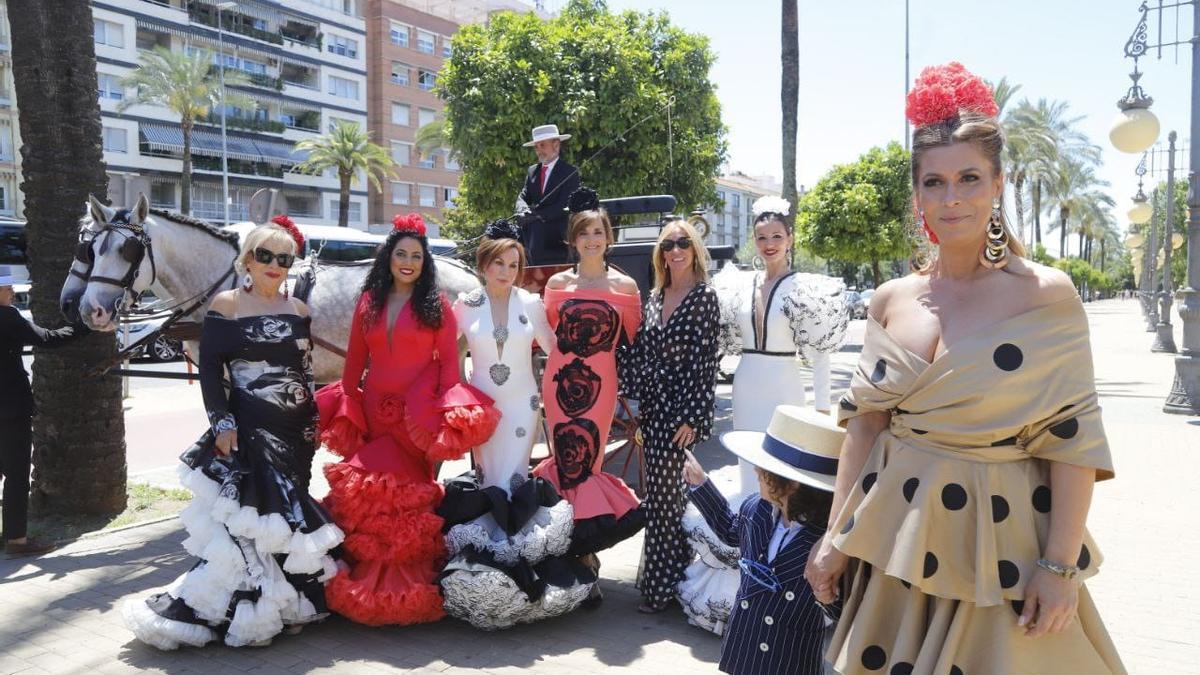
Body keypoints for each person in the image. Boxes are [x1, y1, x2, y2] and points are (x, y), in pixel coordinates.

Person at [804, 63, 1126, 674]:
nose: (952, 198)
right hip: (894, 541)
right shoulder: (890, 298)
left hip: (999, 548)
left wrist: (1058, 568)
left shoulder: (1045, 295)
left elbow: (1074, 441)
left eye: (970, 178)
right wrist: (834, 536)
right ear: (918, 191)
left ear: (999, 182)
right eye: (935, 182)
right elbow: (864, 429)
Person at [123, 218, 344, 649]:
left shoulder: (299, 311)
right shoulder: (227, 305)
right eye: (265, 256)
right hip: (250, 429)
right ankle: (244, 609)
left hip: (297, 432)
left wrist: (315, 423)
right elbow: (210, 370)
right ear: (248, 260)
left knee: (286, 519)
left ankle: (287, 605)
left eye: (284, 258)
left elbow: (305, 371)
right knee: (253, 518)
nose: (275, 265)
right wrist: (221, 423)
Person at [316, 214, 499, 627]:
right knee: (372, 495)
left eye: (416, 256)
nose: (408, 262)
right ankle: (367, 581)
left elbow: (451, 371)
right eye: (401, 254)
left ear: (424, 263)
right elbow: (355, 364)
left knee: (408, 498)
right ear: (388, 258)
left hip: (413, 418)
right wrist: (345, 403)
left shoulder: (437, 308)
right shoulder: (369, 302)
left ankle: (406, 588)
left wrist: (449, 414)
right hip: (375, 411)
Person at [679, 197, 849, 633]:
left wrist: (824, 412)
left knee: (784, 482)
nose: (769, 243)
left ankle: (781, 580)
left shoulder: (807, 290)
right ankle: (736, 586)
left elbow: (823, 356)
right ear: (753, 241)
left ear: (790, 238)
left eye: (776, 236)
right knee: (747, 476)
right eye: (761, 237)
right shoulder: (739, 285)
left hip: (784, 388)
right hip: (746, 383)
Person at [438, 219, 596, 629]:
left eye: (513, 264)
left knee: (515, 478)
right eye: (498, 263)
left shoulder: (531, 302)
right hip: (482, 410)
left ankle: (520, 567)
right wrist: (457, 396)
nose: (506, 271)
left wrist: (593, 360)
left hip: (525, 406)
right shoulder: (465, 305)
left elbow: (555, 348)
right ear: (483, 264)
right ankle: (488, 569)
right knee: (489, 476)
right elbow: (448, 355)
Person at [531, 187, 645, 604]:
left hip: (600, 387)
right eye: (584, 234)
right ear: (573, 240)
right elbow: (547, 338)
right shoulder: (558, 283)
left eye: (598, 232)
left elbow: (633, 341)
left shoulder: (626, 286)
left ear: (608, 237)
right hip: (559, 383)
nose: (591, 239)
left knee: (587, 463)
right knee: (563, 464)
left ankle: (587, 558)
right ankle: (564, 558)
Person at [683, 405, 842, 675]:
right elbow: (731, 530)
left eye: (765, 468)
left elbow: (843, 607)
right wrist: (701, 484)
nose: (756, 471)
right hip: (744, 645)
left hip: (790, 657)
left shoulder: (826, 541)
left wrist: (828, 598)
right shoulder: (756, 508)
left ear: (793, 483)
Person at [623, 219, 721, 613]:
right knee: (664, 497)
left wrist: (693, 418)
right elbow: (642, 351)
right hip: (653, 408)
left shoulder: (704, 298)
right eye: (667, 245)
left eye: (682, 243)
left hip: (681, 411)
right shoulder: (655, 295)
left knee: (665, 500)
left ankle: (661, 589)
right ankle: (676, 580)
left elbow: (705, 362)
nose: (675, 251)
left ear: (694, 248)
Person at [0, 265, 88, 557]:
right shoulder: (7, 318)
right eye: (7, 287)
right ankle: (16, 541)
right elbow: (48, 339)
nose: (12, 291)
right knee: (15, 474)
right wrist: (87, 324)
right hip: (10, 410)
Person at [515, 124, 580, 265]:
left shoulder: (570, 172)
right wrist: (522, 210)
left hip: (556, 236)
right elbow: (523, 196)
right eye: (536, 147)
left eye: (542, 145)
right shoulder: (532, 171)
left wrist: (537, 215)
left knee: (537, 229)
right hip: (532, 233)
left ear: (556, 145)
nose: (539, 151)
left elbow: (565, 205)